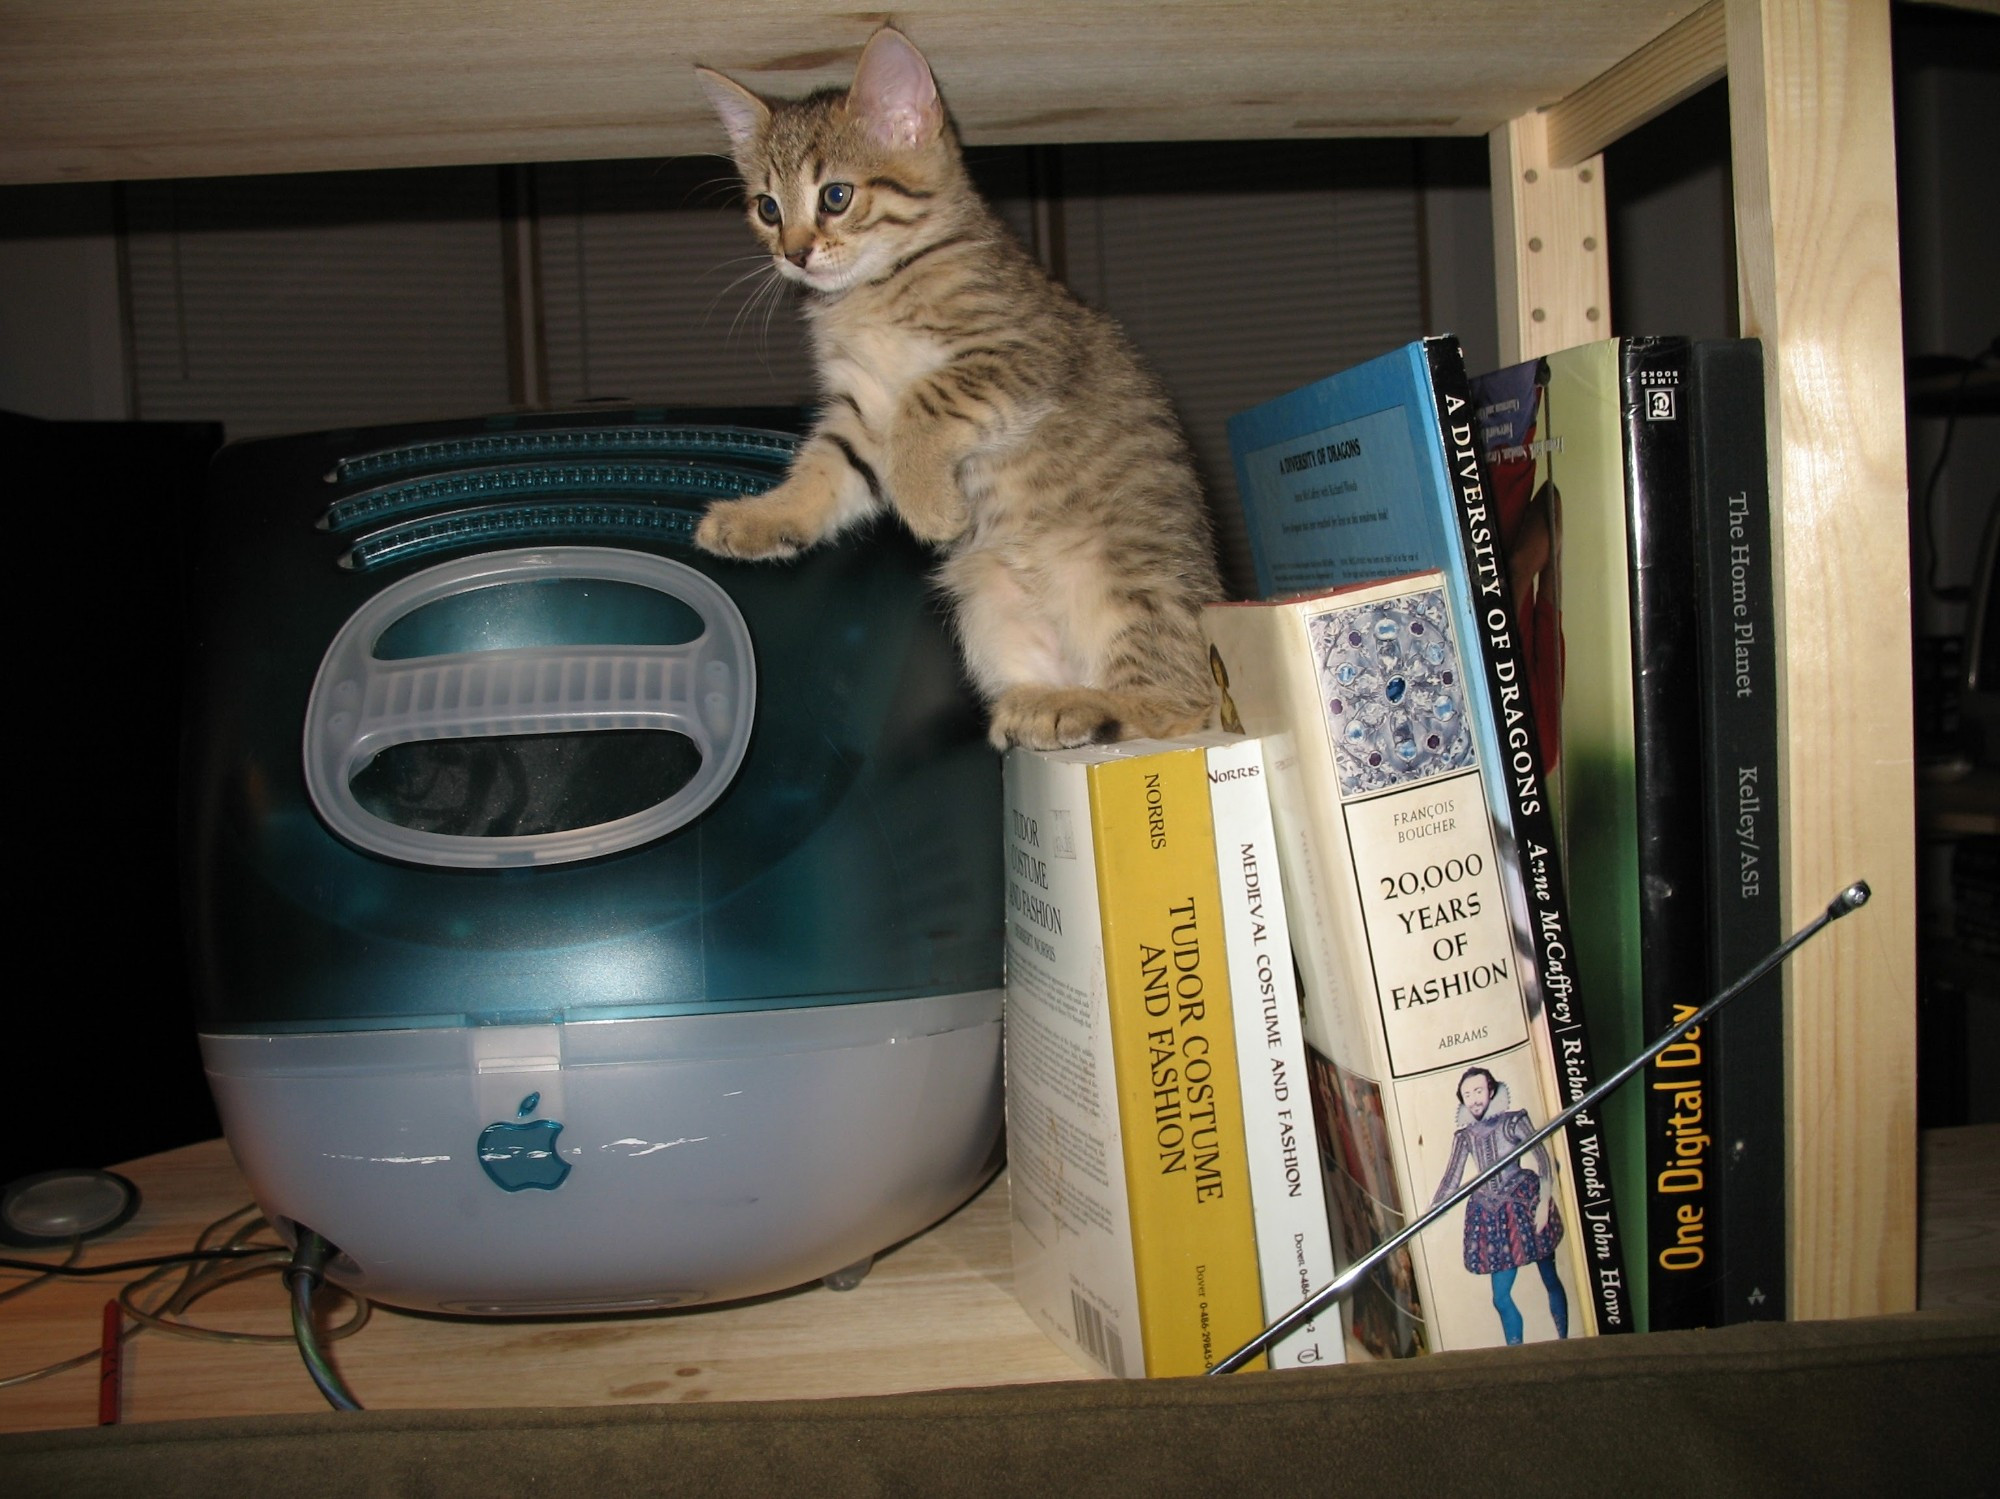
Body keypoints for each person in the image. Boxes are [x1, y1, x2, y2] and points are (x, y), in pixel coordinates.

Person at [1429, 1065, 1569, 1344]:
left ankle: (1566, 1341)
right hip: (1491, 1215)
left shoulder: (1514, 1121)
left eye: (1479, 1091)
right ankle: (1515, 1355)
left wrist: (1543, 1203)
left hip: (1525, 1204)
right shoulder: (1465, 1136)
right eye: (1468, 1094)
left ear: (1491, 1090)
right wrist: (1431, 1213)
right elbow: (1451, 1178)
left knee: (1550, 1277)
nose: (1474, 1099)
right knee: (1500, 1296)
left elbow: (1543, 1158)